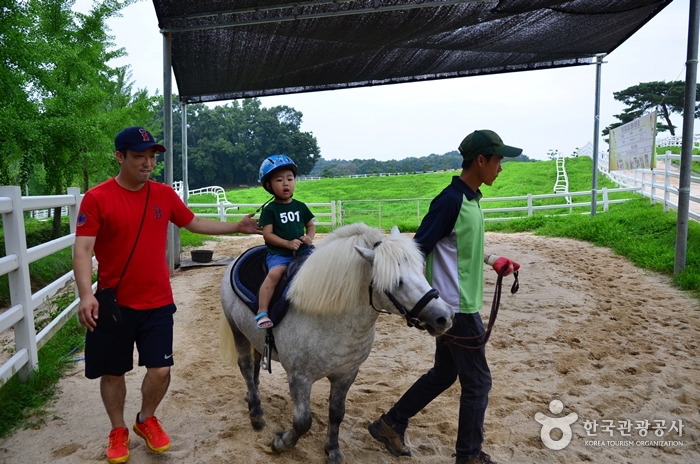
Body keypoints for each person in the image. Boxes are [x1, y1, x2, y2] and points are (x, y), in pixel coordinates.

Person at [73, 126, 259, 464]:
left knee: (160, 370)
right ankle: (118, 429)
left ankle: (145, 418)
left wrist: (237, 226)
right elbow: (83, 249)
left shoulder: (162, 195)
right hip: (113, 303)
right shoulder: (98, 198)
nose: (148, 163)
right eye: (139, 156)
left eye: (152, 157)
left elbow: (193, 222)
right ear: (120, 156)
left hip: (158, 301)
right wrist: (87, 294)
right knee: (113, 372)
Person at [368, 129, 522, 464]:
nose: (500, 168)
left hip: (459, 305)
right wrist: (419, 303)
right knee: (478, 382)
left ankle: (390, 423)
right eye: (498, 160)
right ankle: (468, 456)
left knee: (444, 373)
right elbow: (418, 248)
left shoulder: (471, 199)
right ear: (480, 160)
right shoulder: (450, 200)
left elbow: (457, 246)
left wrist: (492, 259)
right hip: (454, 308)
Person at [254, 154, 315, 329]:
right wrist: (287, 244)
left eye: (289, 179)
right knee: (274, 275)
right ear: (269, 186)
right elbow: (268, 235)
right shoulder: (270, 210)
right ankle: (262, 311)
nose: (286, 183)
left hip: (303, 251)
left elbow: (311, 226)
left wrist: (309, 237)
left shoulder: (300, 206)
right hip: (280, 255)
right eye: (279, 180)